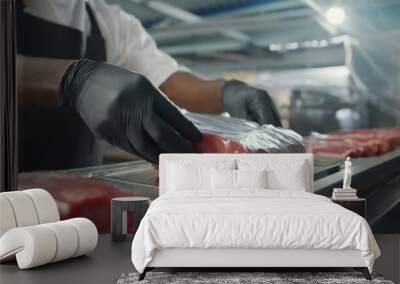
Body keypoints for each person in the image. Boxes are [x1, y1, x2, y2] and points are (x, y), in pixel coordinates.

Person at [17, 0, 281, 171]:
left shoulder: (108, 20)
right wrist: (72, 79)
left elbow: (166, 80)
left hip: (79, 185)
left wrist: (224, 91)